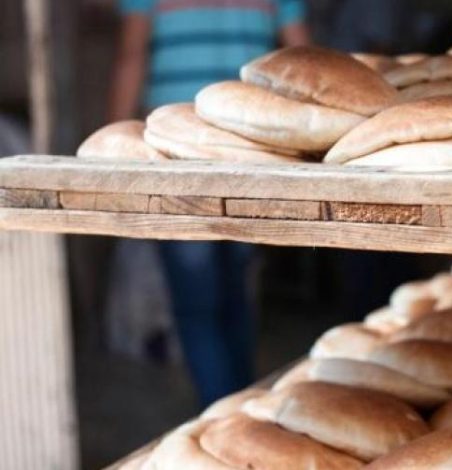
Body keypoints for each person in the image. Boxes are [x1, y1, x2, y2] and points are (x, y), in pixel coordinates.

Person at [108, 0, 309, 406]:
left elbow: (132, 58)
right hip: (250, 154)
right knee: (236, 293)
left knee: (197, 304)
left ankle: (226, 416)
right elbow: (303, 61)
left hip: (177, 155)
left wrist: (111, 145)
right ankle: (243, 410)